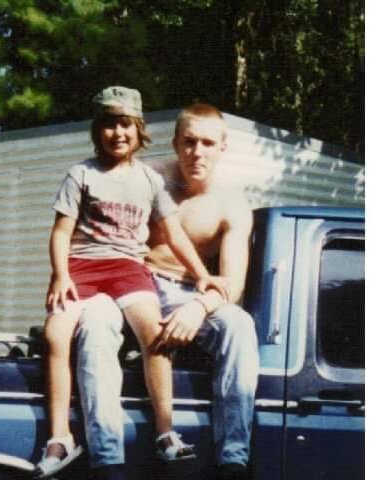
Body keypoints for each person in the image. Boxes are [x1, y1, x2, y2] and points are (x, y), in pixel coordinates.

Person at [35, 88, 229, 479]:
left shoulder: (149, 180)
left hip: (127, 268)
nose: (118, 133)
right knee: (56, 335)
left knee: (155, 333)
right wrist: (60, 274)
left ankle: (165, 430)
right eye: (109, 124)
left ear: (139, 130)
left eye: (126, 124)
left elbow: (174, 233)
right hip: (82, 268)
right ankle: (60, 437)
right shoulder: (81, 174)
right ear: (97, 131)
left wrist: (202, 274)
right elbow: (61, 232)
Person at [75, 103, 259, 480]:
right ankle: (107, 460)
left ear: (223, 148)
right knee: (94, 324)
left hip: (186, 293)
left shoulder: (233, 205)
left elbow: (232, 283)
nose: (197, 152)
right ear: (175, 143)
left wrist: (197, 308)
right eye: (189, 142)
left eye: (208, 143)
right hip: (128, 280)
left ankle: (233, 459)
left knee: (239, 325)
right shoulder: (145, 176)